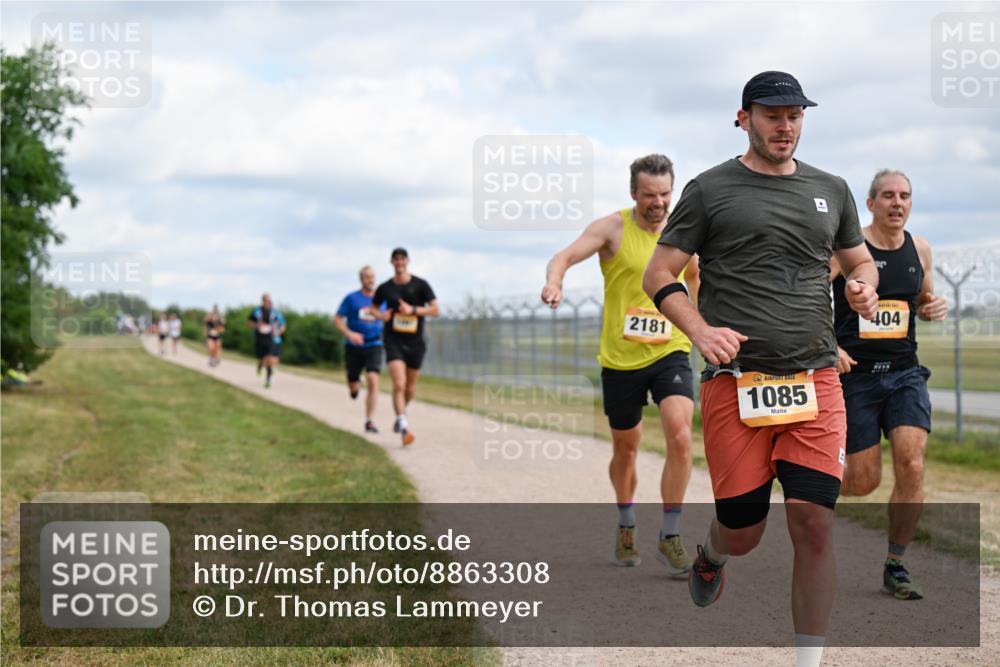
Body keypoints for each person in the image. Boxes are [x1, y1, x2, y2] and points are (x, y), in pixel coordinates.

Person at [643, 71, 879, 666]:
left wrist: (862, 288)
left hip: (815, 380)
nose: (786, 126)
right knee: (744, 530)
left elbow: (861, 262)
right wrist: (698, 329)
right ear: (743, 118)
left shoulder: (832, 189)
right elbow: (659, 274)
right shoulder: (709, 189)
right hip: (736, 383)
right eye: (773, 115)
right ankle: (714, 553)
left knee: (813, 524)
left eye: (795, 115)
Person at [541, 154, 698, 576]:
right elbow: (564, 256)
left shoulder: (684, 231)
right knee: (626, 447)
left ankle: (670, 534)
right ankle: (627, 523)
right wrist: (555, 282)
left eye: (665, 194)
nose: (659, 203)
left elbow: (697, 277)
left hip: (671, 349)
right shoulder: (613, 228)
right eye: (649, 195)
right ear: (634, 193)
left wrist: (702, 325)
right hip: (621, 357)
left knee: (681, 435)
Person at [832, 169, 948, 601]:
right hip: (856, 376)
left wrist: (932, 306)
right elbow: (809, 299)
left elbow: (920, 299)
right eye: (887, 196)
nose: (897, 203)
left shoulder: (920, 248)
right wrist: (828, 346)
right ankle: (806, 483)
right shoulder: (847, 249)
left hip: (904, 373)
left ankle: (896, 564)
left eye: (905, 196)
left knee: (912, 463)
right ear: (870, 203)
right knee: (862, 482)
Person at [372, 248, 439, 446]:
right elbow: (374, 308)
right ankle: (403, 425)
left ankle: (401, 413)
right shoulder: (385, 288)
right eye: (396, 259)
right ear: (391, 262)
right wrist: (380, 315)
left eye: (402, 259)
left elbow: (436, 309)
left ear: (407, 261)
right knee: (399, 384)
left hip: (416, 342)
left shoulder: (421, 285)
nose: (399, 262)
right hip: (393, 340)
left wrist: (413, 310)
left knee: (410, 387)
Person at [335, 266, 385, 433]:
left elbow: (388, 318)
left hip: (374, 344)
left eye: (372, 276)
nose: (370, 280)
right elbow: (337, 319)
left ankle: (369, 420)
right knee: (353, 387)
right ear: (361, 279)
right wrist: (349, 334)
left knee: (373, 378)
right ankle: (356, 385)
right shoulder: (351, 298)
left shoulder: (381, 300)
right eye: (366, 277)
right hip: (354, 346)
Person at [247, 294, 286, 389]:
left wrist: (279, 332)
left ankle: (269, 378)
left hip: (271, 338)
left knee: (270, 358)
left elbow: (283, 325)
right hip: (260, 338)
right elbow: (249, 323)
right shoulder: (256, 311)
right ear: (262, 301)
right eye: (266, 300)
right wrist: (257, 325)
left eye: (269, 301)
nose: (268, 302)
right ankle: (260, 366)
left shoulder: (276, 313)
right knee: (262, 359)